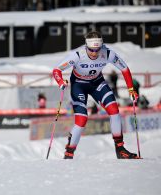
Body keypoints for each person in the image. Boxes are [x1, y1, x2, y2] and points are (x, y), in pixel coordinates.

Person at [52, 31, 139, 159]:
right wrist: (60, 81)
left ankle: (120, 149)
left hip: (97, 83)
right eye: (91, 50)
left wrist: (131, 89)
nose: (94, 53)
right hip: (79, 85)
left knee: (114, 110)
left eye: (97, 50)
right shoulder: (77, 55)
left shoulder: (107, 53)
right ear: (86, 46)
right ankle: (69, 153)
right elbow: (57, 70)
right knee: (82, 120)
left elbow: (124, 69)